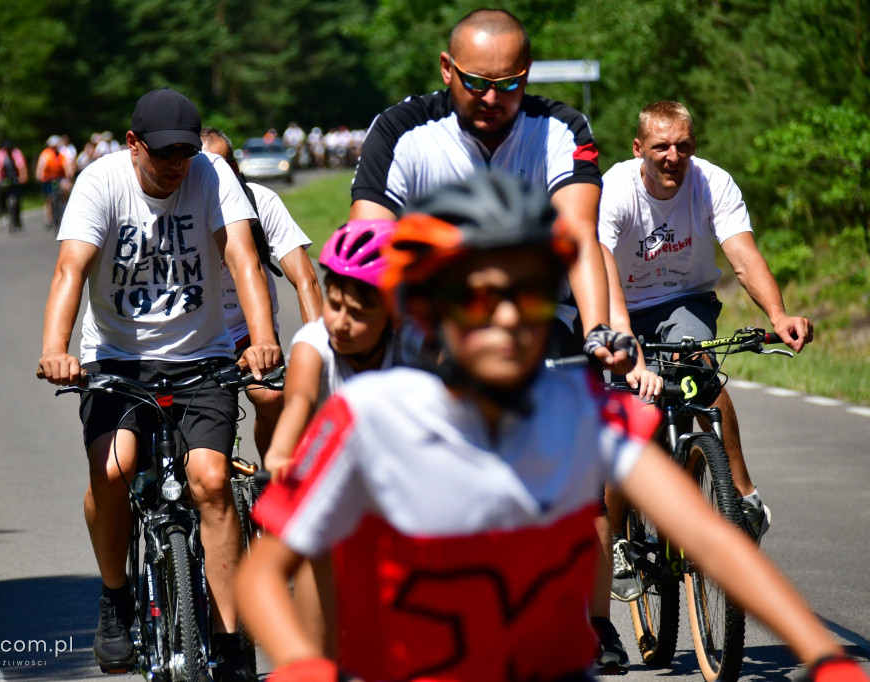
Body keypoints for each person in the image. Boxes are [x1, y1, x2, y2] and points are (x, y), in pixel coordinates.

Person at [235, 169, 867, 682]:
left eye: (531, 294)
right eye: (482, 298)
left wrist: (827, 656)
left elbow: (711, 540)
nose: (510, 318)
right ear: (429, 311)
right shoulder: (369, 417)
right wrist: (302, 664)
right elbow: (265, 572)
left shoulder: (578, 411)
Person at [348, 8, 638, 667]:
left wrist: (597, 328)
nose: (491, 99)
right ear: (446, 69)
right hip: (434, 319)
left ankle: (595, 623)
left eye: (508, 85)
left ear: (526, 76)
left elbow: (579, 239)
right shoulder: (400, 130)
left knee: (580, 470)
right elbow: (367, 243)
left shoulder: (560, 128)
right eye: (476, 82)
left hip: (538, 318)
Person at [37, 87, 280, 681]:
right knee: (114, 470)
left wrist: (265, 338)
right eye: (164, 153)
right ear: (133, 144)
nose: (177, 165)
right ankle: (116, 598)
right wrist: (55, 349)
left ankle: (228, 640)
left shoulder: (211, 173)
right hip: (116, 361)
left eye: (186, 153)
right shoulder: (101, 184)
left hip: (202, 359)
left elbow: (244, 259)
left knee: (213, 481)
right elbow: (71, 268)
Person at [598, 100, 815, 597]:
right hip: (622, 304)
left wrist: (778, 317)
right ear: (639, 150)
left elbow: (743, 256)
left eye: (683, 146)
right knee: (632, 419)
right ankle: (614, 541)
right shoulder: (615, 189)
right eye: (661, 147)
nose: (673, 156)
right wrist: (621, 335)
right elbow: (601, 262)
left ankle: (742, 495)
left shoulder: (712, 182)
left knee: (698, 366)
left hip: (684, 300)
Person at [261, 219, 400, 657]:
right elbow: (299, 400)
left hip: (396, 475)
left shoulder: (417, 347)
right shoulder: (314, 342)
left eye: (358, 313)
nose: (340, 321)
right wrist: (282, 452)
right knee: (317, 551)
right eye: (335, 304)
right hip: (329, 467)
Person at [200, 127, 323, 457]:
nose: (224, 175)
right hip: (196, 336)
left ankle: (272, 476)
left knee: (271, 398)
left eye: (228, 164)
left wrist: (319, 348)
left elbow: (306, 279)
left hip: (249, 332)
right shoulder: (183, 206)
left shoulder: (261, 201)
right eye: (209, 167)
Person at [35, 135, 74, 229]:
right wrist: (40, 175)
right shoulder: (45, 154)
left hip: (60, 177)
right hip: (48, 178)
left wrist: (69, 175)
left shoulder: (62, 153)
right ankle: (48, 219)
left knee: (66, 188)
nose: (54, 148)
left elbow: (67, 165)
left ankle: (64, 206)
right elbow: (41, 167)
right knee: (48, 198)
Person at [0, 140, 28, 229]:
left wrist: (23, 177)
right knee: (1, 194)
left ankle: (17, 219)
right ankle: (1, 210)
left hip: (15, 177)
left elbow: (21, 166)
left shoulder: (16, 153)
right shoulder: (1, 154)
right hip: (5, 178)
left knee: (17, 198)